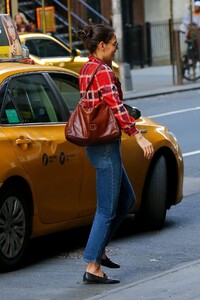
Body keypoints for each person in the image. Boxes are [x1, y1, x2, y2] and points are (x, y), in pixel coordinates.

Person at [76, 24, 154, 284]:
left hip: (95, 143)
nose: (116, 47)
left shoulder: (87, 68)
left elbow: (98, 104)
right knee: (107, 209)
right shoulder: (104, 71)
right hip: (106, 146)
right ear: (102, 46)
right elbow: (116, 107)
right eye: (113, 44)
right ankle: (93, 266)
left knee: (126, 199)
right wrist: (139, 136)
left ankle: (98, 250)